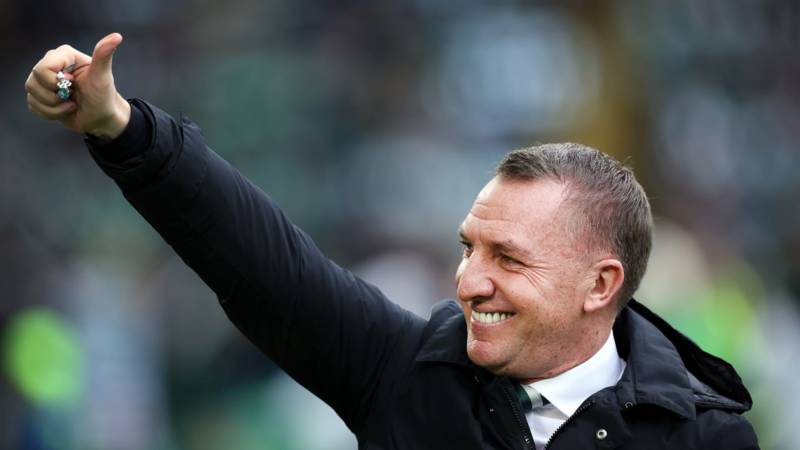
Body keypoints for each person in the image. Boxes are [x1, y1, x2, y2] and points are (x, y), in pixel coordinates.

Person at [25, 33, 759, 449]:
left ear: (600, 284)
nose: (469, 281)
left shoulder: (707, 440)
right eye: (470, 248)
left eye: (509, 259)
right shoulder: (407, 370)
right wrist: (123, 129)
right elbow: (258, 261)